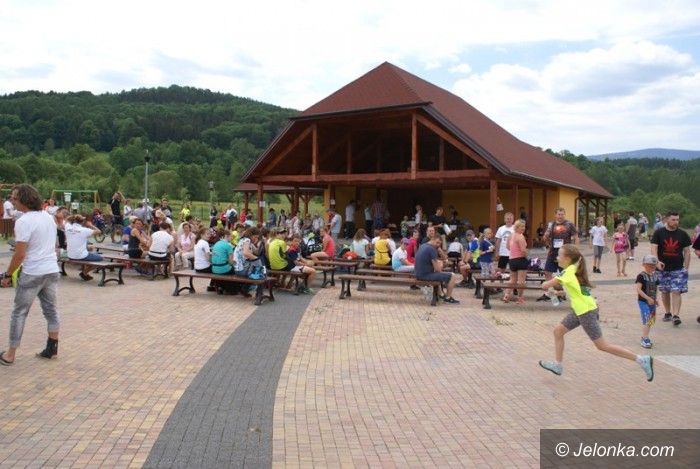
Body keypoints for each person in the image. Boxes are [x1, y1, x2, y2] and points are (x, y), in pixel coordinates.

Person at [538, 245, 654, 381]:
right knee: (558, 331)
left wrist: (547, 285)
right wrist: (558, 293)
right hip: (580, 310)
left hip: (586, 312)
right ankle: (558, 365)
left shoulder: (566, 273)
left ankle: (641, 360)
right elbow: (574, 290)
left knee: (602, 345)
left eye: (559, 255)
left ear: (567, 258)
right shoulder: (573, 267)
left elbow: (545, 285)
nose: (557, 258)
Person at [1, 184, 62, 365]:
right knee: (51, 310)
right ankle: (52, 347)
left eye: (14, 198)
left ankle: (10, 354)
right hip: (51, 270)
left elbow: (19, 254)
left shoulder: (24, 221)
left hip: (33, 272)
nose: (12, 201)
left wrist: (7, 275)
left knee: (19, 312)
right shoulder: (48, 217)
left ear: (24, 200)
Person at [650, 211, 691, 326]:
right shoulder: (659, 233)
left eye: (677, 219)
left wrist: (686, 268)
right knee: (665, 291)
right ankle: (668, 312)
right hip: (662, 268)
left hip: (678, 268)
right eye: (673, 219)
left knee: (676, 291)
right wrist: (657, 262)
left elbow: (687, 252)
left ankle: (676, 315)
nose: (676, 222)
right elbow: (653, 248)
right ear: (667, 219)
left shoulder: (683, 234)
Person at [539, 208, 578, 301]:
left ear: (565, 215)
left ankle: (565, 293)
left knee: (565, 274)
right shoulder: (551, 224)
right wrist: (545, 238)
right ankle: (551, 293)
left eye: (562, 214)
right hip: (553, 253)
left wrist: (575, 250)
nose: (560, 216)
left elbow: (576, 238)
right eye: (559, 214)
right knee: (547, 272)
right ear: (555, 215)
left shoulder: (569, 224)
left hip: (565, 254)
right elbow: (545, 237)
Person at [414, 233, 460, 304]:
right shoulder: (432, 249)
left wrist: (440, 262)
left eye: (439, 243)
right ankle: (448, 298)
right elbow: (438, 269)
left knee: (439, 273)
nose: (438, 245)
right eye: (437, 242)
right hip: (425, 275)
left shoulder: (423, 246)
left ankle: (441, 294)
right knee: (452, 275)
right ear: (432, 239)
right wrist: (443, 265)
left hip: (418, 274)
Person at [65, 215, 104, 280]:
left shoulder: (68, 228)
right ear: (82, 222)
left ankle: (85, 272)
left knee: (90, 253)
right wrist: (90, 225)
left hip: (70, 255)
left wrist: (73, 217)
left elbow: (67, 221)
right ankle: (84, 272)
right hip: (81, 256)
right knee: (100, 258)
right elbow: (99, 231)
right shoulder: (84, 230)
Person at [636, 255, 660, 349]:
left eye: (653, 265)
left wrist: (655, 299)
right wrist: (648, 298)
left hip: (652, 302)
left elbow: (656, 288)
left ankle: (646, 336)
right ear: (644, 265)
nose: (652, 267)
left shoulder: (655, 276)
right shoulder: (641, 276)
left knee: (651, 320)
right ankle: (644, 338)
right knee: (647, 318)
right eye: (649, 265)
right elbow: (639, 290)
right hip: (643, 301)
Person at [504, 220, 528, 304]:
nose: (523, 228)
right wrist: (526, 256)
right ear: (517, 227)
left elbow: (507, 246)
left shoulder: (511, 236)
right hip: (521, 259)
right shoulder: (520, 237)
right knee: (521, 281)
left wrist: (514, 252)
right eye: (522, 226)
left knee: (512, 280)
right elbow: (523, 250)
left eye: (524, 226)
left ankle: (506, 295)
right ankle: (520, 298)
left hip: (512, 260)